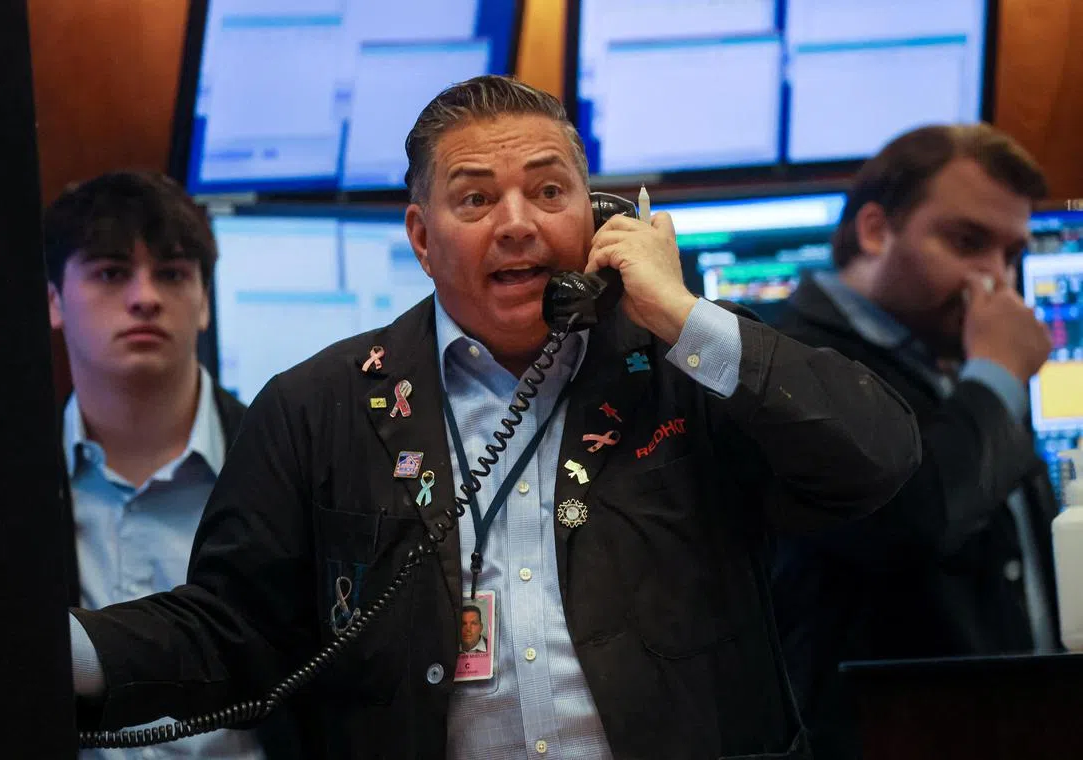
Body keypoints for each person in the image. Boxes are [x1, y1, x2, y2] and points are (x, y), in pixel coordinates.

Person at [69, 76, 920, 759]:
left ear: (599, 213)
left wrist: (680, 314)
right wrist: (55, 652)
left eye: (550, 191)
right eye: (475, 201)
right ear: (421, 236)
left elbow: (875, 460)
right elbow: (233, 628)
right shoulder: (315, 406)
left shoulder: (687, 367)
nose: (518, 223)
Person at [770, 124, 1060, 760]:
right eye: (967, 242)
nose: (995, 279)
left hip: (1001, 726)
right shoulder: (792, 362)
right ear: (876, 230)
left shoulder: (945, 357)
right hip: (879, 736)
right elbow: (916, 517)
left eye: (1010, 254)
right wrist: (999, 375)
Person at [46, 170, 297, 759]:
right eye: (111, 272)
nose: (145, 297)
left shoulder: (290, 459)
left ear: (206, 301)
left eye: (172, 273)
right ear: (54, 300)